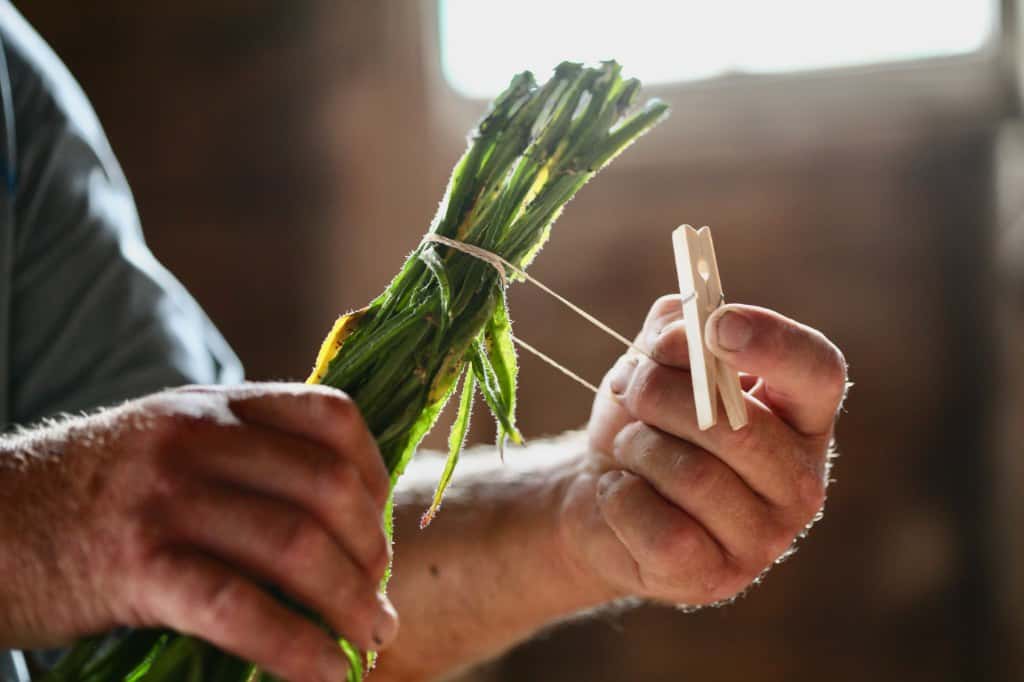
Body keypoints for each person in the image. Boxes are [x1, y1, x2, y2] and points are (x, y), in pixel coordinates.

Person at [0, 4, 847, 682]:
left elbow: (244, 581)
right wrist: (35, 525)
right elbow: (81, 530)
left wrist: (582, 510)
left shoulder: (12, 93)